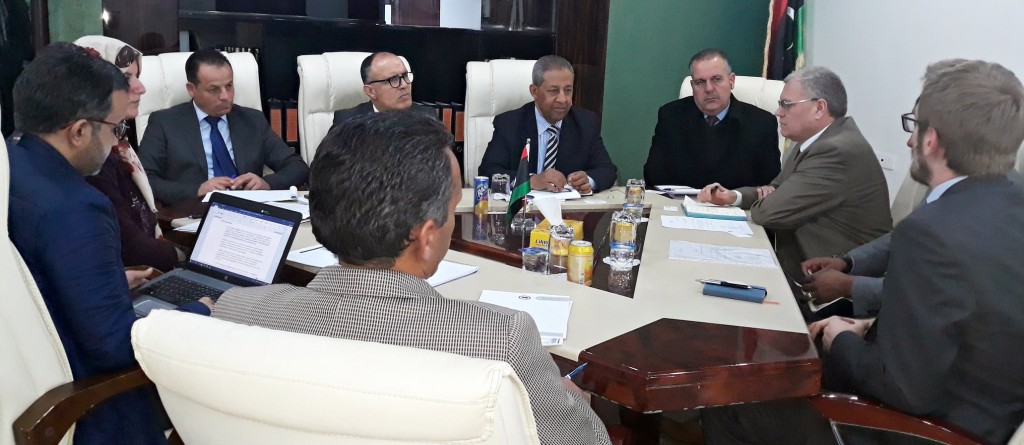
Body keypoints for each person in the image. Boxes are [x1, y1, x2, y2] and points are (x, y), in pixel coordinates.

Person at [213, 110, 612, 445]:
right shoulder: (501, 338)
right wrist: (574, 401)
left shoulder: (235, 311)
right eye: (452, 209)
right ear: (426, 237)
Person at [703, 59, 1024, 445]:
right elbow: (967, 315)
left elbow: (904, 390)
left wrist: (840, 337)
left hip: (928, 430)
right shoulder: (1006, 198)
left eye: (913, 125)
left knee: (728, 399)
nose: (908, 141)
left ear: (932, 140)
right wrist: (868, 325)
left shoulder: (931, 233)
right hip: (988, 411)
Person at [7, 42, 212, 445]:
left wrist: (111, 280)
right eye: (115, 128)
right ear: (79, 131)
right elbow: (115, 347)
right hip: (91, 407)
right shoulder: (76, 206)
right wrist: (198, 311)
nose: (118, 138)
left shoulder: (14, 166)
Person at [697, 66, 891, 280]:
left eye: (786, 105)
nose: (778, 112)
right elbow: (777, 188)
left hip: (831, 281)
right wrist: (734, 197)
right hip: (799, 260)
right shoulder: (814, 140)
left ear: (819, 108)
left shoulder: (836, 151)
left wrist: (772, 197)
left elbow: (767, 212)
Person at [139, 48, 308, 206]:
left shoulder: (252, 120)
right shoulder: (164, 123)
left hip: (249, 211)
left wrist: (266, 183)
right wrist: (196, 190)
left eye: (229, 86)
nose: (225, 96)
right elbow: (144, 179)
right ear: (191, 89)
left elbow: (297, 167)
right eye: (214, 89)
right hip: (194, 212)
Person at [74, 35, 182, 272]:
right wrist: (183, 256)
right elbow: (130, 247)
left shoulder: (118, 138)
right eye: (125, 78)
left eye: (137, 76)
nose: (141, 87)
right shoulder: (90, 155)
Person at [478, 55, 617, 194]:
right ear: (534, 91)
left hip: (568, 206)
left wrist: (588, 180)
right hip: (523, 205)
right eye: (553, 91)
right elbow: (488, 171)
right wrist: (529, 181)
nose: (562, 99)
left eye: (568, 90)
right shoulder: (509, 124)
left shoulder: (586, 122)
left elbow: (607, 170)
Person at [643, 48, 780, 189]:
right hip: (680, 200)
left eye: (716, 79)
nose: (709, 89)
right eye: (700, 82)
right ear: (692, 86)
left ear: (731, 81)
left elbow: (769, 185)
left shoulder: (761, 123)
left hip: (737, 202)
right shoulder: (671, 116)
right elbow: (653, 175)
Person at [329, 52, 435, 128]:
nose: (404, 85)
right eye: (393, 79)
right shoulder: (348, 121)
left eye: (405, 76)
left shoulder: (427, 116)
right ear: (371, 91)